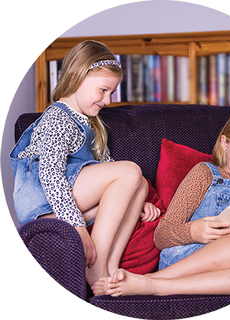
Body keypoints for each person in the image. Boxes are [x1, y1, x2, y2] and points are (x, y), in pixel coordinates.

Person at [91, 104, 230, 296]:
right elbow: (161, 236)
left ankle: (155, 284)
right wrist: (194, 231)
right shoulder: (204, 174)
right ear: (226, 144)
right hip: (185, 260)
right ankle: (157, 280)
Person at [10, 40, 161, 287]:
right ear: (75, 78)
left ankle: (110, 268)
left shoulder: (92, 124)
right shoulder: (57, 116)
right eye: (103, 90)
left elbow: (107, 167)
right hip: (43, 200)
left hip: (73, 198)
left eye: (112, 92)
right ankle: (96, 265)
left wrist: (136, 197)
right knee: (130, 171)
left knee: (139, 183)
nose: (108, 100)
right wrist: (77, 227)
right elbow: (50, 174)